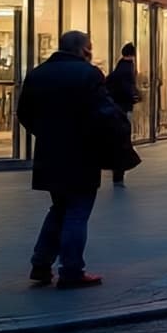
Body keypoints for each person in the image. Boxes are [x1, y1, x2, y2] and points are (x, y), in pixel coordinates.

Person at [19, 31, 131, 289]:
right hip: (82, 153)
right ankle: (71, 270)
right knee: (77, 212)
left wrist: (46, 133)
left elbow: (24, 112)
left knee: (59, 208)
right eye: (90, 47)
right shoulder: (88, 74)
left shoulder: (38, 73)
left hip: (50, 152)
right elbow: (104, 114)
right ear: (83, 49)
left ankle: (41, 262)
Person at [104, 43, 139, 187]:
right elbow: (126, 87)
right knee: (123, 139)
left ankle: (118, 173)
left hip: (118, 105)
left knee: (119, 139)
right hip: (123, 107)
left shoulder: (119, 68)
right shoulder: (127, 68)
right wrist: (133, 96)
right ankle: (118, 174)